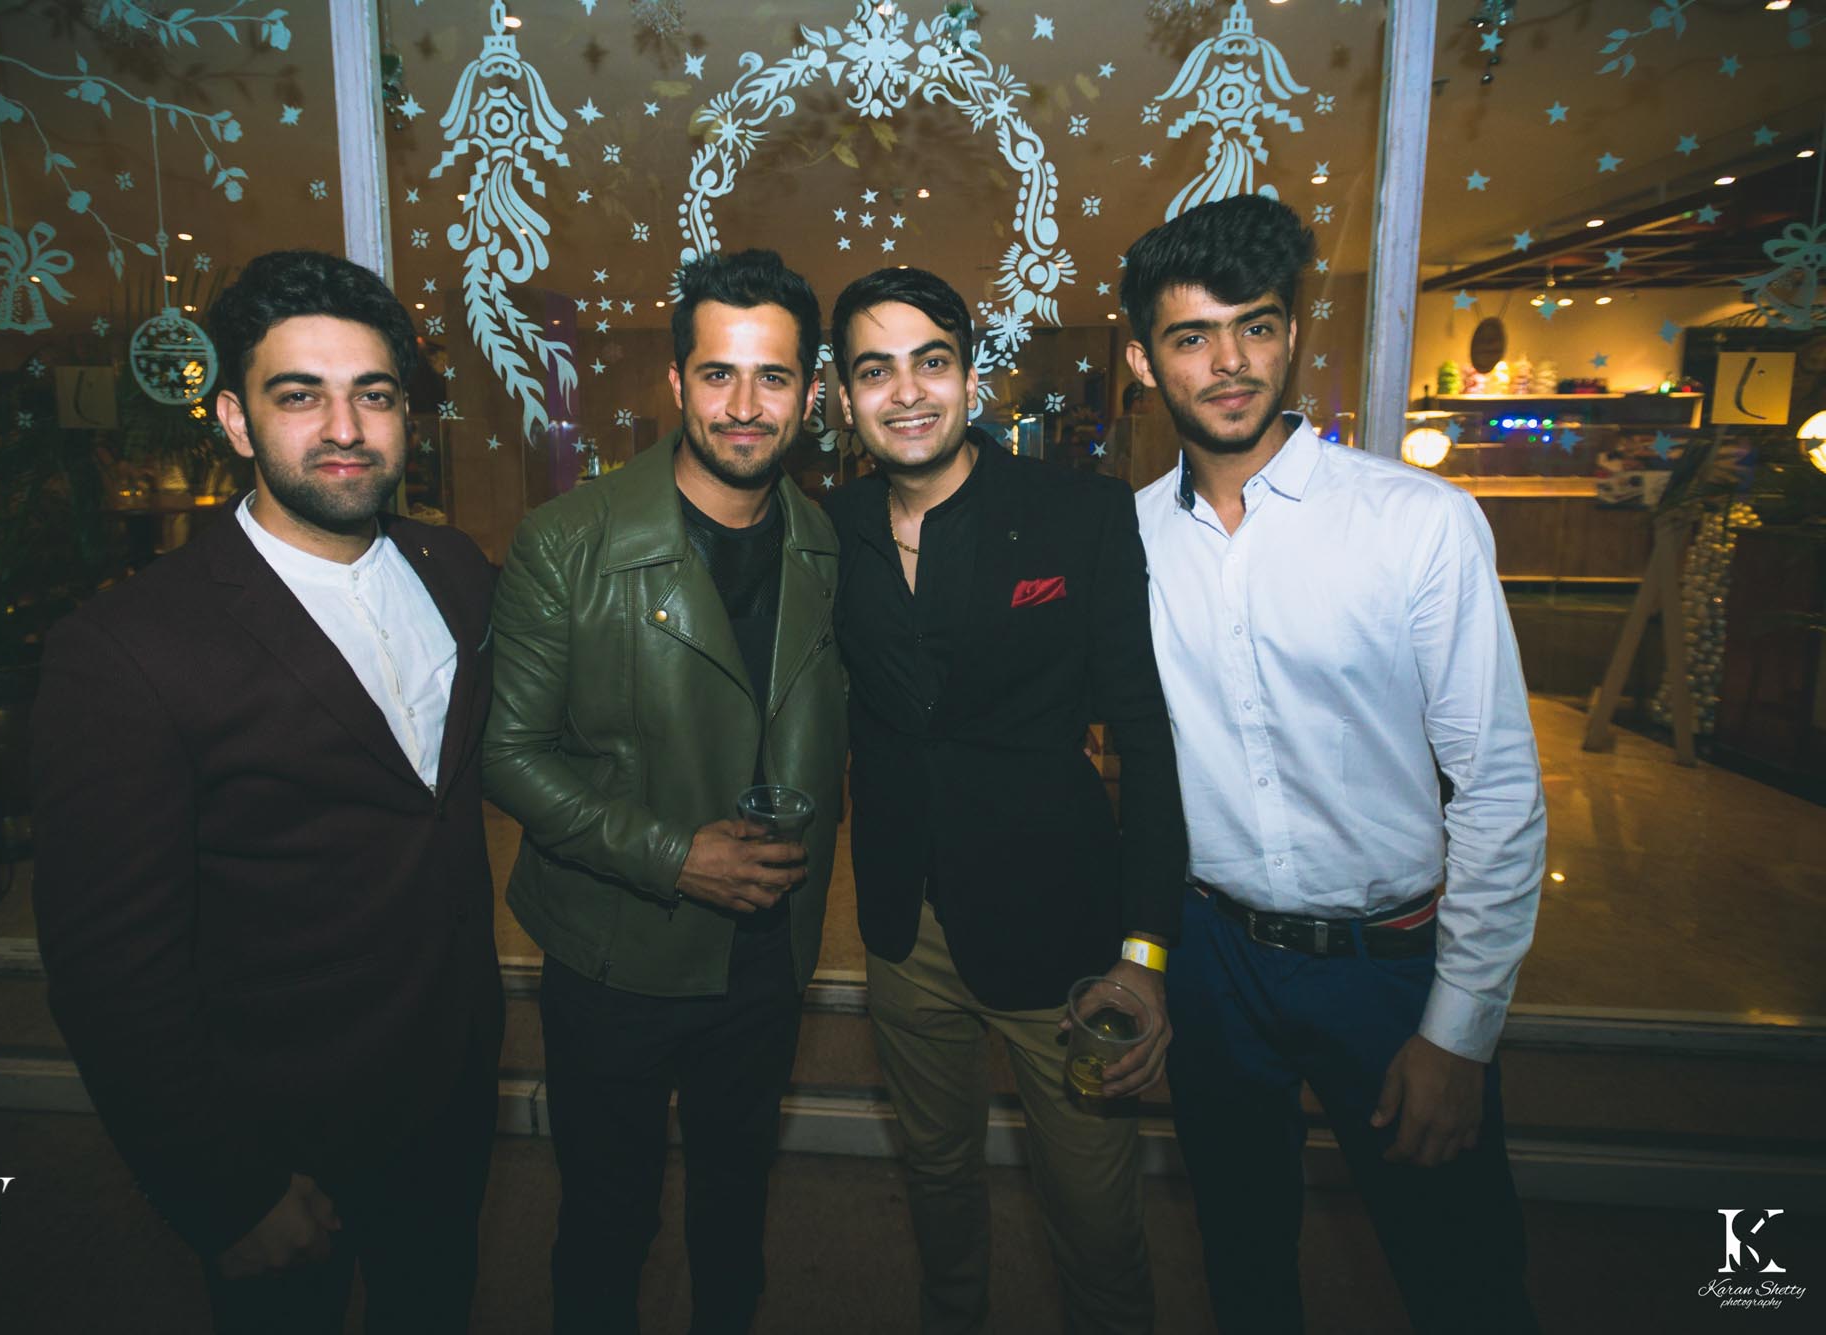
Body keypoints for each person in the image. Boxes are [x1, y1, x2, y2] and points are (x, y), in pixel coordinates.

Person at [31, 249, 504, 1333]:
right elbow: (109, 966)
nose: (344, 427)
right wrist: (219, 1189)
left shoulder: (454, 568)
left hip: (448, 1083)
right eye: (300, 396)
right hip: (277, 1127)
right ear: (237, 421)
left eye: (372, 394)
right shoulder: (128, 647)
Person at [1121, 195, 1545, 1333]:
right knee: (1244, 1268)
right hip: (1212, 961)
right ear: (1144, 360)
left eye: (1254, 326)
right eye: (1190, 336)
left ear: (1292, 334)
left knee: (1461, 1281)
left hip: (1388, 968)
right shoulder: (1130, 542)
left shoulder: (1416, 521)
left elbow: (1498, 789)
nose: (1228, 363)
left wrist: (1459, 1030)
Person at [480, 248, 845, 1334]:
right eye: (719, 374)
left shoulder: (827, 546)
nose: (745, 406)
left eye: (773, 377)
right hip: (615, 954)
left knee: (735, 1213)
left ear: (810, 394)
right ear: (677, 381)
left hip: (767, 954)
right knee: (608, 1220)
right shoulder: (567, 541)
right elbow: (508, 753)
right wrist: (674, 855)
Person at [823, 266, 1188, 1335]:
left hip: (1061, 937)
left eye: (930, 362)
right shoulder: (827, 528)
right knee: (937, 1182)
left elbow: (1148, 743)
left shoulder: (1078, 515)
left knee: (1095, 1219)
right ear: (842, 397)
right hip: (902, 928)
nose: (906, 392)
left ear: (970, 378)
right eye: (874, 370)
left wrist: (1144, 950)